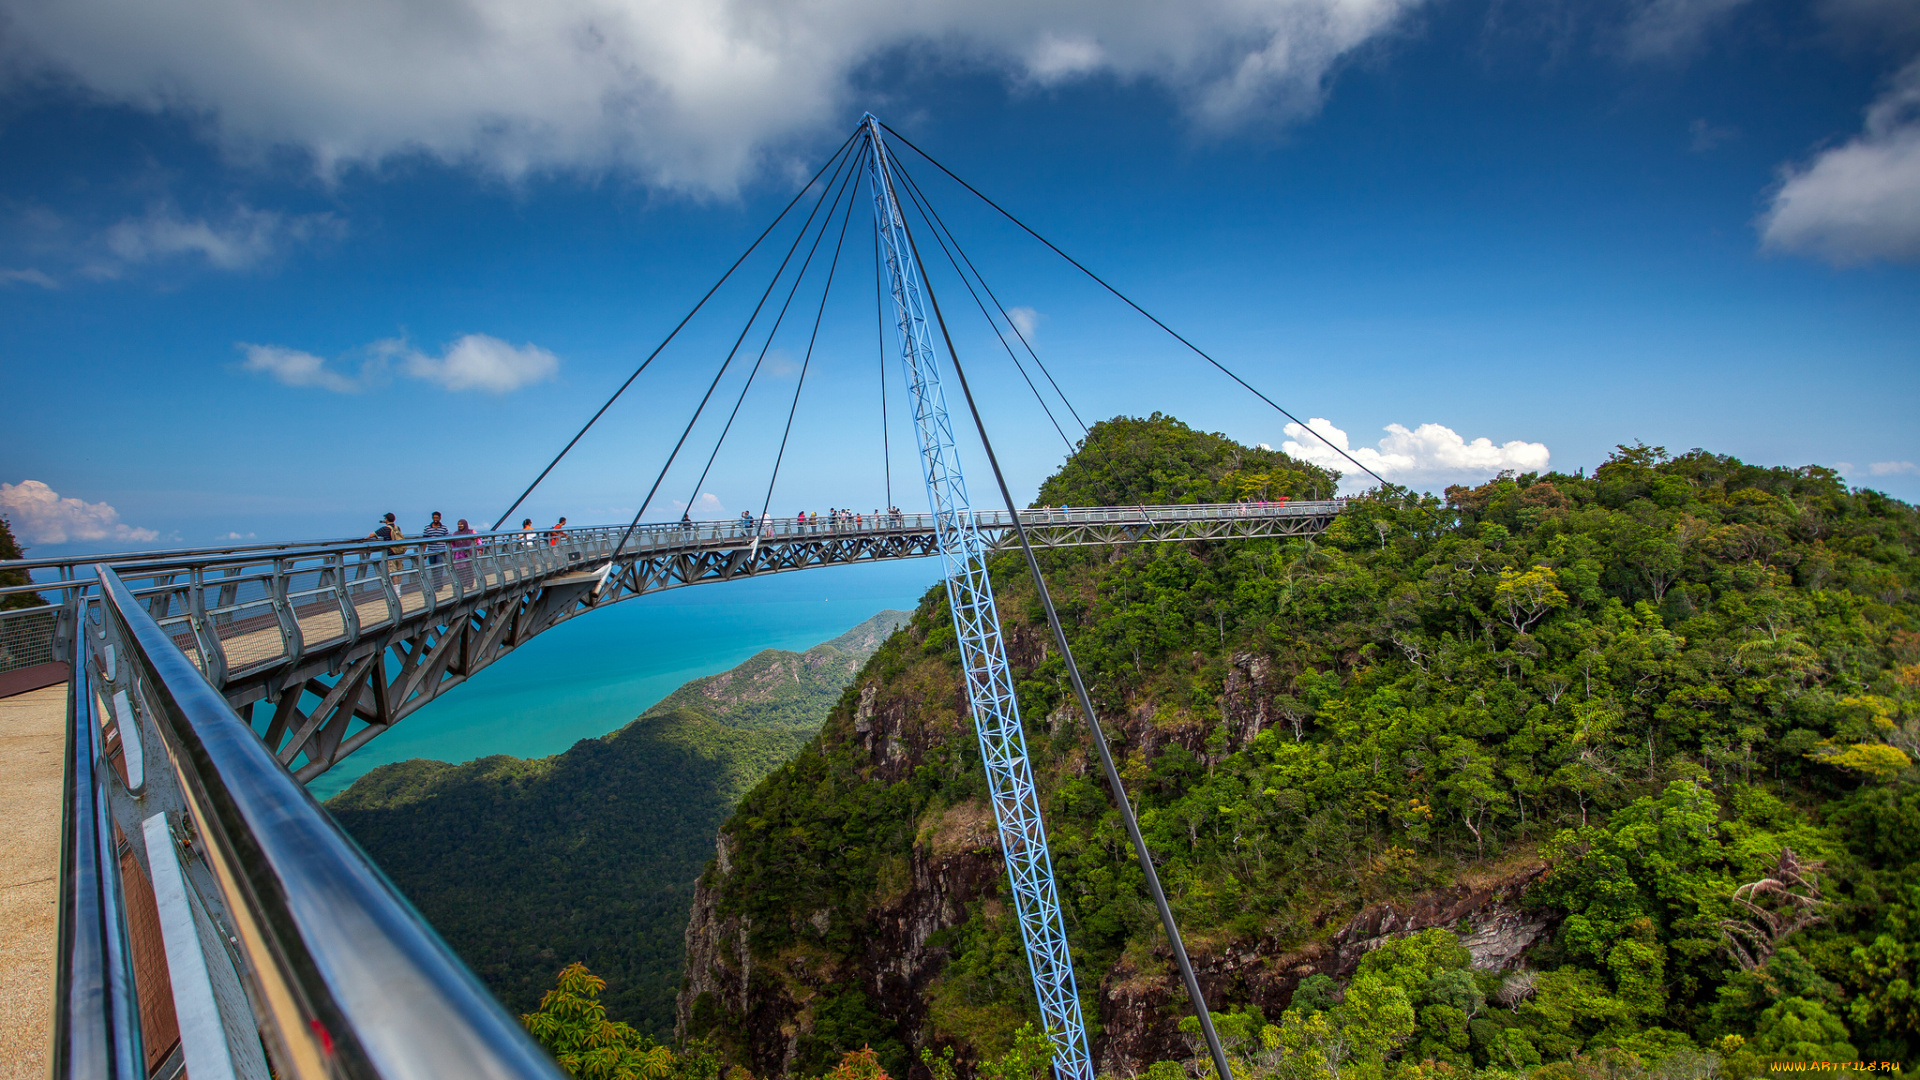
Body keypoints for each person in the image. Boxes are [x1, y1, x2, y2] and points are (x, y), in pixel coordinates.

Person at [368, 513, 405, 577]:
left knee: (393, 573)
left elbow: (371, 535)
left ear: (386, 519)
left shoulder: (385, 529)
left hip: (390, 553)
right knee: (399, 572)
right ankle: (398, 586)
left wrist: (375, 536)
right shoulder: (397, 528)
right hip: (399, 552)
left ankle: (394, 587)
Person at [421, 511, 450, 590]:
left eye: (437, 517)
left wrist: (447, 551)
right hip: (431, 550)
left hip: (441, 551)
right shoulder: (427, 528)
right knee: (433, 568)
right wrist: (424, 552)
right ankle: (437, 583)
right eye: (434, 518)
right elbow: (424, 541)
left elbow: (447, 540)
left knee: (439, 567)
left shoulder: (444, 528)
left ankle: (437, 585)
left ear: (440, 518)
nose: (435, 519)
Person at [450, 519, 478, 589]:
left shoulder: (471, 532)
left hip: (469, 553)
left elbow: (478, 540)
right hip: (458, 554)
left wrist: (480, 549)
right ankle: (462, 584)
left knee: (469, 569)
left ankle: (469, 584)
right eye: (459, 524)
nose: (460, 525)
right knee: (459, 570)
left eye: (461, 524)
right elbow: (451, 544)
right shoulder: (455, 534)